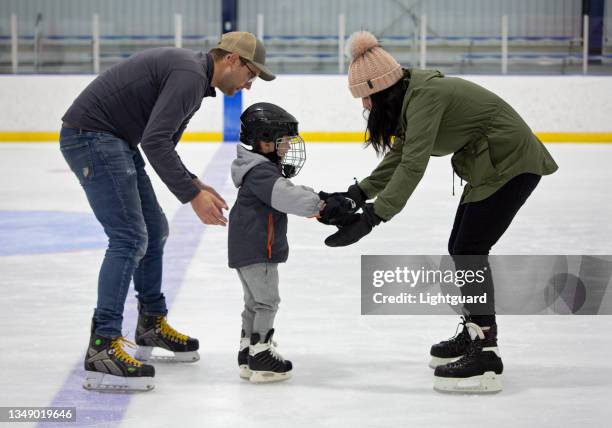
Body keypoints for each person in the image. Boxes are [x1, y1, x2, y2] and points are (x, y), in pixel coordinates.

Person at [319, 31, 558, 393]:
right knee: (462, 248)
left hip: (510, 165)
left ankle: (486, 350)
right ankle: (475, 332)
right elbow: (401, 155)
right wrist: (357, 194)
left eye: (366, 98)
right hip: (489, 168)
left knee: (469, 250)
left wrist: (373, 217)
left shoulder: (424, 97)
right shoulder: (412, 96)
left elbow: (413, 165)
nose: (365, 107)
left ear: (381, 89)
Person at [61, 31, 275, 392]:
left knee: (154, 229)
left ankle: (150, 323)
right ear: (232, 60)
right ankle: (103, 344)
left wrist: (193, 182)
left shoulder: (196, 80)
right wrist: (192, 193)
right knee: (129, 237)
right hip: (93, 136)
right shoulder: (190, 76)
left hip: (114, 140)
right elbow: (155, 142)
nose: (249, 85)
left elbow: (162, 143)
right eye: (250, 74)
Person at [228, 102, 349, 383]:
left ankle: (247, 353)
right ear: (265, 142)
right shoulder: (261, 173)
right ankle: (261, 355)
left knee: (253, 303)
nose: (287, 149)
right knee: (267, 302)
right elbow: (287, 197)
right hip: (259, 250)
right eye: (283, 143)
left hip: (246, 248)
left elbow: (287, 191)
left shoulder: (256, 170)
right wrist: (320, 204)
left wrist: (319, 195)